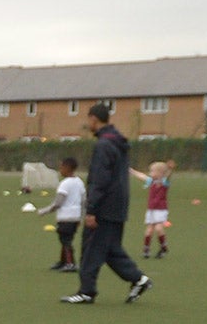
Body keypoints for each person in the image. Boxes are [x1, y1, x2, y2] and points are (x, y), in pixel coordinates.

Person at [64, 103, 150, 304]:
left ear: (94, 118)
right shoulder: (117, 142)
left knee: (91, 247)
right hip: (118, 206)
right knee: (109, 249)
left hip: (104, 207)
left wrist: (92, 209)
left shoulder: (103, 145)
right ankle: (139, 279)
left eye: (89, 119)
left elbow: (100, 179)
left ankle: (86, 291)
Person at [35, 156, 84, 270]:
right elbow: (83, 201)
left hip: (66, 217)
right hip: (75, 216)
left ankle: (70, 263)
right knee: (65, 239)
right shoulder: (79, 182)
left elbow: (58, 203)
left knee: (66, 240)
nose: (60, 170)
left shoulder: (65, 184)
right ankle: (63, 261)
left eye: (61, 167)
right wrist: (81, 217)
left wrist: (44, 211)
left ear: (67, 168)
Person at [132, 160, 171, 259]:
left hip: (160, 210)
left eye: (152, 171)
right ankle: (146, 249)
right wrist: (131, 171)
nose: (150, 173)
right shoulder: (151, 181)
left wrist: (169, 168)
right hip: (151, 210)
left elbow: (168, 176)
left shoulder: (164, 183)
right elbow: (142, 176)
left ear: (160, 173)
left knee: (158, 228)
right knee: (149, 230)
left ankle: (163, 246)